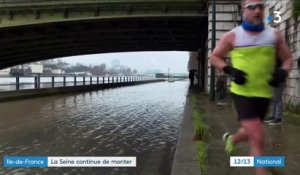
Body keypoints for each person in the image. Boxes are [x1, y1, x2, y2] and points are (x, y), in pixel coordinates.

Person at [210, 0, 293, 175]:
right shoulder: (233, 36)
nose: (257, 10)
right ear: (243, 11)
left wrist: (282, 72)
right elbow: (215, 57)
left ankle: (231, 139)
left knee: (249, 131)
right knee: (258, 136)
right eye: (252, 7)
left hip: (263, 94)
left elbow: (288, 59)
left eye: (261, 6)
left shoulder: (274, 36)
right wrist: (230, 70)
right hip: (242, 93)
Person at [264, 58, 285, 125]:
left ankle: (278, 118)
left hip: (279, 80)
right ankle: (273, 116)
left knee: (277, 99)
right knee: (273, 99)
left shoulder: (279, 58)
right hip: (273, 80)